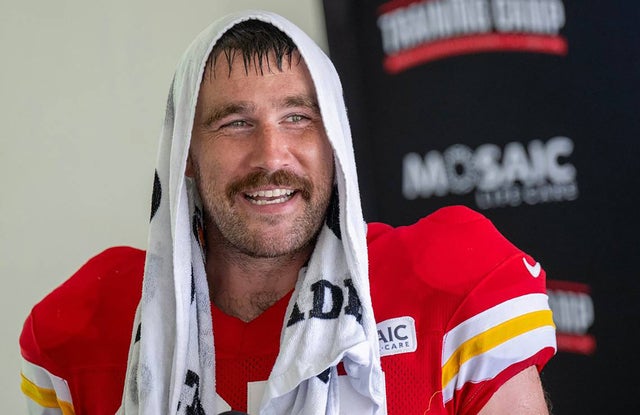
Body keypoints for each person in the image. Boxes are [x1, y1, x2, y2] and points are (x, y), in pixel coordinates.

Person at [19, 10, 557, 415]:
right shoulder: (88, 324)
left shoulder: (447, 282)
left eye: (298, 117)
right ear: (183, 154)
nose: (272, 156)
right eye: (235, 124)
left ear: (336, 141)